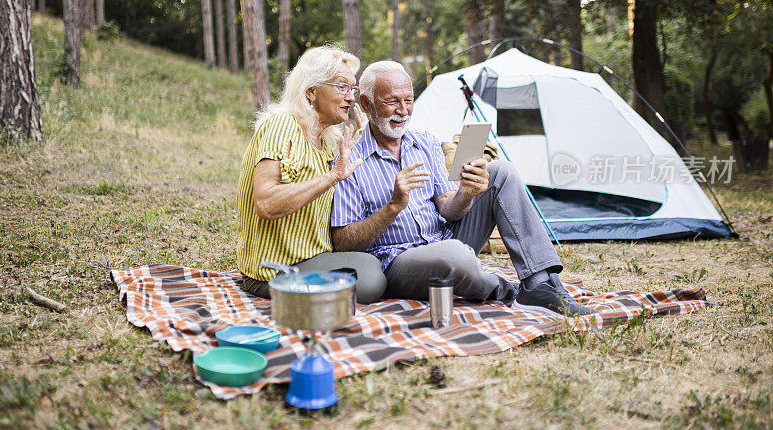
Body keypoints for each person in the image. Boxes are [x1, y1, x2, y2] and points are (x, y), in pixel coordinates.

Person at [329, 60, 594, 316]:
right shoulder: (350, 159)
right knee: (455, 256)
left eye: (408, 100)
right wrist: (393, 207)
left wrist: (466, 192)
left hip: (444, 240)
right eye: (391, 101)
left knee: (502, 172)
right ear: (366, 103)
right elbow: (343, 243)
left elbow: (449, 209)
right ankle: (506, 291)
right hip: (398, 262)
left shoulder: (425, 143)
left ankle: (539, 285)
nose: (403, 110)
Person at [235, 46, 386, 303]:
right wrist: (331, 177)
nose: (351, 97)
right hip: (273, 270)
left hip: (314, 258)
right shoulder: (282, 126)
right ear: (311, 91)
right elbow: (266, 203)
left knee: (376, 263)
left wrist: (362, 148)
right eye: (342, 87)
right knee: (371, 280)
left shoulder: (329, 139)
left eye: (353, 89)